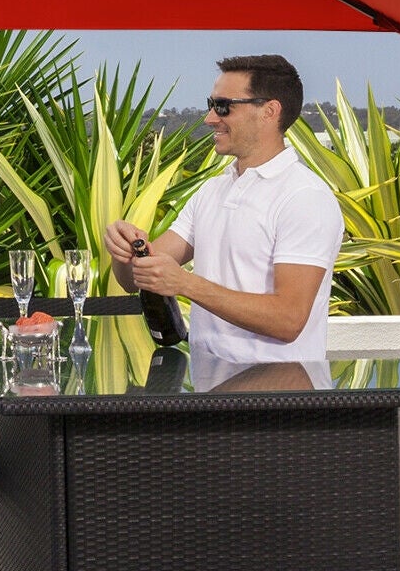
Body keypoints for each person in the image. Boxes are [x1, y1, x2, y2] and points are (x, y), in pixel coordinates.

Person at [105, 54, 342, 364]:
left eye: (223, 106)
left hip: (279, 399)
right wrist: (124, 251)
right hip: (211, 390)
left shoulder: (305, 197)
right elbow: (137, 278)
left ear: (269, 111)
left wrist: (186, 284)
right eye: (211, 104)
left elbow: (289, 320)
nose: (209, 118)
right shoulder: (212, 191)